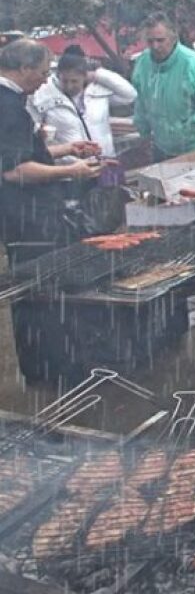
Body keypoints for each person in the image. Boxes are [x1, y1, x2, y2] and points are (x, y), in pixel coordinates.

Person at [1, 39, 103, 383]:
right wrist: (71, 170)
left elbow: (28, 155)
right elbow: (14, 171)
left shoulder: (13, 102)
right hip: (27, 218)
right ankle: (55, 371)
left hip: (26, 216)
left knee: (35, 291)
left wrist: (66, 149)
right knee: (42, 293)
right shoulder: (8, 107)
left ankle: (45, 369)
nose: (45, 80)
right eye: (43, 72)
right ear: (24, 68)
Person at [131, 12, 195, 161]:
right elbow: (141, 102)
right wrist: (144, 132)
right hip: (161, 148)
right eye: (150, 41)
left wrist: (188, 130)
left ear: (173, 37)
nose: (155, 46)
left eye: (160, 40)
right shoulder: (142, 63)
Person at [31, 46, 136, 157]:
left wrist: (99, 75)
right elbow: (32, 122)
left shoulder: (99, 91)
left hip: (104, 159)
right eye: (64, 81)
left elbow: (129, 95)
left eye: (74, 81)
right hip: (68, 165)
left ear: (85, 76)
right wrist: (41, 131)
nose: (69, 86)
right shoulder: (45, 94)